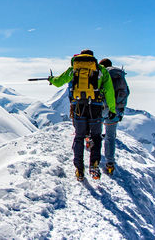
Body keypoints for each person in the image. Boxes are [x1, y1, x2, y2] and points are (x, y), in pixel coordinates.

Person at [48, 49, 116, 181]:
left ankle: (79, 169)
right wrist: (112, 109)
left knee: (79, 137)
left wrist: (51, 78)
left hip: (78, 106)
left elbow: (58, 82)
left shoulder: (74, 68)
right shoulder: (101, 69)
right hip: (96, 107)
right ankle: (94, 164)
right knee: (96, 137)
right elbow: (109, 91)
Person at [99, 58, 130, 175]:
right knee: (110, 137)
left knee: (96, 129)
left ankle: (91, 143)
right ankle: (110, 163)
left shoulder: (103, 74)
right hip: (117, 109)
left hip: (103, 107)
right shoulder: (120, 76)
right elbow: (127, 93)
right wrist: (120, 110)